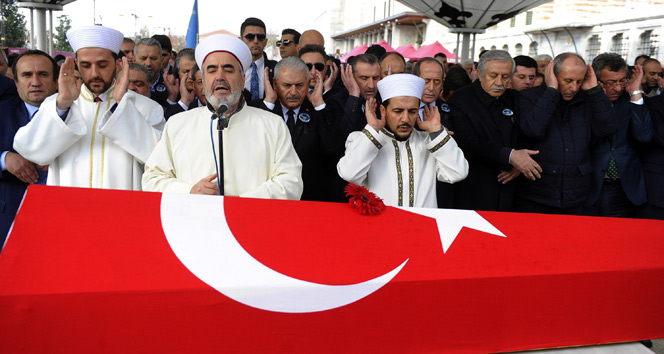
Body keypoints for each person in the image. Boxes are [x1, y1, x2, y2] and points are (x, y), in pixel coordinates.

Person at [142, 34, 303, 199]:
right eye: (212, 70)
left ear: (242, 79)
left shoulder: (272, 125)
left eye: (228, 69)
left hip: (250, 221)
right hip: (193, 221)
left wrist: (241, 203)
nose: (220, 77)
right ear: (203, 81)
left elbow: (291, 182)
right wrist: (189, 191)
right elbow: (152, 179)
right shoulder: (178, 124)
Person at [13, 25, 165, 190]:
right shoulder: (56, 104)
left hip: (122, 210)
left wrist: (123, 106)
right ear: (76, 64)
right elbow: (30, 151)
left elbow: (159, 158)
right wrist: (63, 105)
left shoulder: (146, 107)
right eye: (86, 65)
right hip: (69, 209)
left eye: (102, 65)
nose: (94, 74)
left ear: (118, 64)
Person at [337, 73, 468, 208]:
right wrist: (372, 129)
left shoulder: (429, 142)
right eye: (398, 111)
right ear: (383, 110)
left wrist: (436, 131)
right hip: (379, 226)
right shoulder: (361, 139)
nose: (405, 119)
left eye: (412, 111)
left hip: (422, 226)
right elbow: (349, 174)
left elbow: (458, 173)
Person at [517, 53, 616, 215]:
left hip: (576, 195)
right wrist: (552, 91)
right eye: (568, 81)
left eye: (579, 81)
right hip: (536, 193)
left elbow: (608, 128)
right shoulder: (529, 96)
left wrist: (594, 91)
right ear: (553, 75)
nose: (574, 87)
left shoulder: (587, 98)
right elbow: (532, 130)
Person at [449, 50, 540, 212]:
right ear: (479, 73)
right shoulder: (461, 99)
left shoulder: (514, 98)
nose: (499, 82)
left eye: (505, 77)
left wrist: (519, 164)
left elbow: (526, 133)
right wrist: (510, 156)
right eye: (493, 76)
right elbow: (466, 141)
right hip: (474, 188)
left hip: (510, 189)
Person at [250, 57, 341, 201]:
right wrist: (269, 103)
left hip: (311, 200)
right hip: (272, 200)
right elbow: (254, 148)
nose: (293, 92)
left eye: (299, 85)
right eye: (287, 85)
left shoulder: (320, 110)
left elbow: (332, 149)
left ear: (308, 84)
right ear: (275, 84)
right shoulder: (261, 109)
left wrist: (318, 105)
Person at [1, 50, 58, 246]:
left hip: (61, 217)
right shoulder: (2, 112)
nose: (35, 82)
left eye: (43, 74)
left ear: (56, 80)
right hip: (8, 219)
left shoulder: (77, 115)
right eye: (27, 75)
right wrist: (4, 159)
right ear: (15, 82)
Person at [585, 53, 653, 217]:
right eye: (610, 82)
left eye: (622, 81)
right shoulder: (584, 102)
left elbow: (644, 136)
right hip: (588, 184)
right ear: (596, 80)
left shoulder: (630, 100)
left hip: (622, 186)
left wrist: (635, 92)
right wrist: (597, 98)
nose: (617, 88)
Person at [240, 17, 277, 101]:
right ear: (241, 40)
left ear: (265, 41)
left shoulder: (277, 68)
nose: (256, 41)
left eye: (260, 37)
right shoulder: (234, 68)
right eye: (250, 36)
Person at [134, 37, 169, 107]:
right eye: (143, 58)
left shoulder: (172, 86)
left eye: (153, 58)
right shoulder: (126, 86)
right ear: (134, 60)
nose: (148, 63)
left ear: (162, 60)